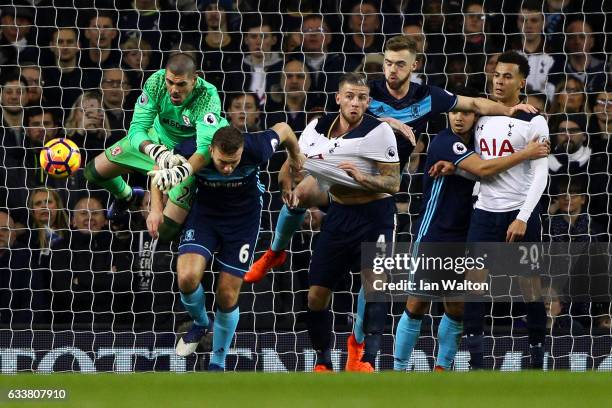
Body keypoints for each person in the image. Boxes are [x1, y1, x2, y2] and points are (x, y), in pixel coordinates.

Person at [246, 36, 538, 363]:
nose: (392, 70)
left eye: (400, 63)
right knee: (299, 194)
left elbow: (475, 104)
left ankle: (359, 346)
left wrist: (511, 109)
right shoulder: (368, 93)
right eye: (388, 62)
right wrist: (390, 121)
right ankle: (274, 251)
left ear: (415, 66)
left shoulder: (427, 97)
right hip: (346, 168)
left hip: (378, 185)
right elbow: (345, 116)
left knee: (374, 283)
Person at [393, 86, 550, 371]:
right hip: (436, 232)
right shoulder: (445, 142)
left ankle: (442, 369)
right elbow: (485, 170)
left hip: (467, 230)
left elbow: (482, 171)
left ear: (478, 116)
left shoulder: (481, 143)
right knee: (417, 304)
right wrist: (527, 153)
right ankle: (399, 368)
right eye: (454, 112)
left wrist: (458, 171)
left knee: (456, 307)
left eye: (466, 112)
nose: (459, 118)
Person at [146, 122, 303, 370]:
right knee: (186, 278)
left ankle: (217, 363)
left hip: (243, 221)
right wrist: (156, 210)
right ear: (210, 150)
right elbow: (158, 169)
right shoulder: (190, 151)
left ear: (242, 151)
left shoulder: (257, 148)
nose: (228, 168)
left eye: (234, 161)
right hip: (205, 216)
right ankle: (200, 322)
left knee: (227, 295)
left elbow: (284, 129)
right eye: (222, 162)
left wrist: (296, 155)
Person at [279, 73, 400, 372]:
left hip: (376, 216)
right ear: (338, 98)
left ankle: (368, 360)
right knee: (316, 294)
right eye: (350, 96)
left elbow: (394, 182)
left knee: (376, 288)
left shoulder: (380, 131)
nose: (355, 102)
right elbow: (296, 157)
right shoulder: (318, 127)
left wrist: (362, 177)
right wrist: (285, 180)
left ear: (368, 102)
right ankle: (323, 361)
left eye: (361, 98)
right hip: (340, 214)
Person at [463, 51, 550, 369]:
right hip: (485, 213)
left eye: (507, 76)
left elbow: (541, 174)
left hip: (519, 212)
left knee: (530, 286)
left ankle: (537, 357)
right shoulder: (482, 115)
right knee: (474, 284)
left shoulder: (534, 120)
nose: (499, 81)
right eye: (496, 75)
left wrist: (523, 217)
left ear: (521, 81)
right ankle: (476, 360)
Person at [84, 53, 228, 242]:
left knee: (164, 233)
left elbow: (204, 150)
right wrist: (153, 150)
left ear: (194, 79)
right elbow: (136, 129)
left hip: (185, 155)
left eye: (181, 84)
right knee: (92, 172)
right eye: (171, 82)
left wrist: (182, 171)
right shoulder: (157, 82)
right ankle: (127, 196)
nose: (174, 90)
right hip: (155, 141)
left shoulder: (207, 97)